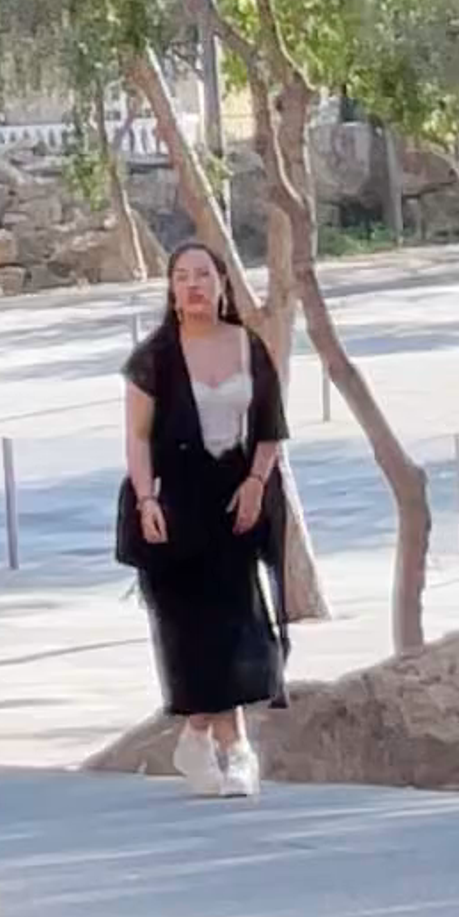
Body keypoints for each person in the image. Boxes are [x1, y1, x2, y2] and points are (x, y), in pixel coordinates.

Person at [115, 233, 291, 789]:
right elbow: (138, 439)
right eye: (182, 277)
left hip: (234, 495)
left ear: (222, 286)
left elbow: (269, 429)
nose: (193, 286)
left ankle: (199, 738)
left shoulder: (247, 345)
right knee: (190, 627)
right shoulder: (153, 359)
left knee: (238, 619)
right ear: (171, 290)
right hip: (173, 498)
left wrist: (256, 483)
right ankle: (232, 745)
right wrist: (146, 500)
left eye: (204, 276)